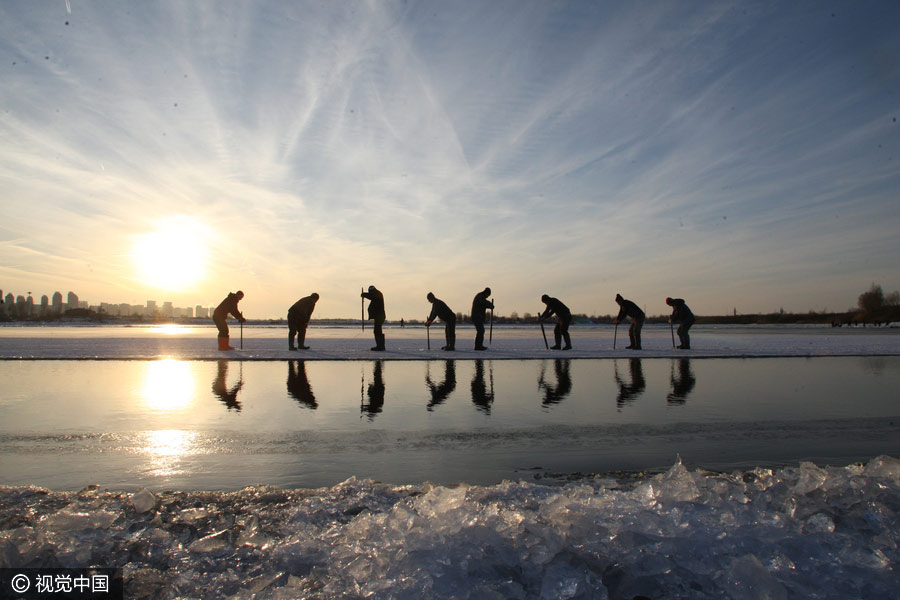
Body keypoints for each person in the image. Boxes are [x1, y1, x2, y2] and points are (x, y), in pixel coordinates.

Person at [361, 285, 386, 351]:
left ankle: (380, 346)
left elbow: (372, 296)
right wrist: (365, 294)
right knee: (377, 331)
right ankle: (380, 346)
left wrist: (365, 295)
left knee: (377, 331)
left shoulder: (378, 294)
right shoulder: (376, 294)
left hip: (379, 316)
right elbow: (371, 296)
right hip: (378, 316)